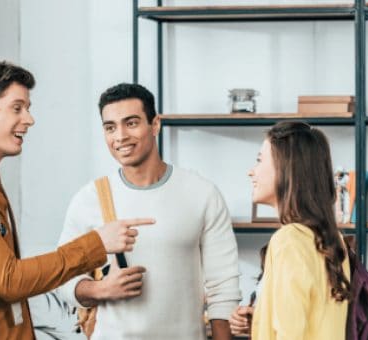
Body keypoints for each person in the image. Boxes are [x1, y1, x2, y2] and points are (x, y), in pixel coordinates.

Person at [0, 61, 153, 340]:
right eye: (17, 108)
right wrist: (97, 243)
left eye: (27, 108)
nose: (29, 119)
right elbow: (10, 280)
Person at [56, 83, 241, 340]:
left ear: (155, 124)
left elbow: (223, 286)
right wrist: (100, 289)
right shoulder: (90, 199)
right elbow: (63, 279)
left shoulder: (202, 193)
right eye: (110, 127)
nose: (119, 136)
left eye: (131, 123)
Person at [229, 121, 351, 339]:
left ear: (285, 167)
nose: (251, 172)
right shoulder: (332, 239)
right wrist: (259, 319)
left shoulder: (289, 240)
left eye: (259, 161)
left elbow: (291, 332)